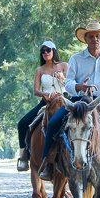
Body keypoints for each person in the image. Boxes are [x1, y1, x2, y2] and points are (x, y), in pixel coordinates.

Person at [38, 20, 100, 186]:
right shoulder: (76, 59)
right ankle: (48, 165)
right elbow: (68, 83)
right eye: (91, 36)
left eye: (98, 36)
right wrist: (80, 86)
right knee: (53, 123)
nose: (95, 39)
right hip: (77, 101)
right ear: (86, 39)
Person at [16, 40, 67, 172]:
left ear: (53, 51)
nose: (45, 53)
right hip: (46, 102)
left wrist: (63, 79)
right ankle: (23, 155)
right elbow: (36, 91)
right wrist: (46, 94)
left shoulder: (64, 66)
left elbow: (71, 85)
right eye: (43, 51)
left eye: (48, 50)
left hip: (64, 102)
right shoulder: (39, 70)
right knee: (22, 123)